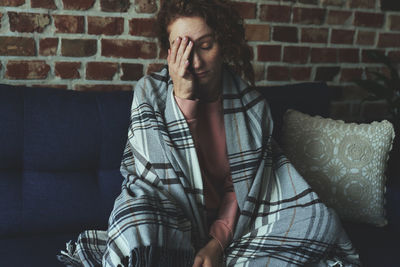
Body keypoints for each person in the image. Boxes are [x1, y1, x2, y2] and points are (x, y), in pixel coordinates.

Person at [59, 0, 361, 266]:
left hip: (235, 224)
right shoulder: (149, 92)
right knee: (133, 228)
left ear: (223, 43)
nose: (194, 61)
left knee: (318, 219)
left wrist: (216, 244)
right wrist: (183, 98)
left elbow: (243, 189)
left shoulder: (253, 107)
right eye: (182, 48)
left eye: (205, 45)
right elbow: (157, 176)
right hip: (166, 212)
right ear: (168, 50)